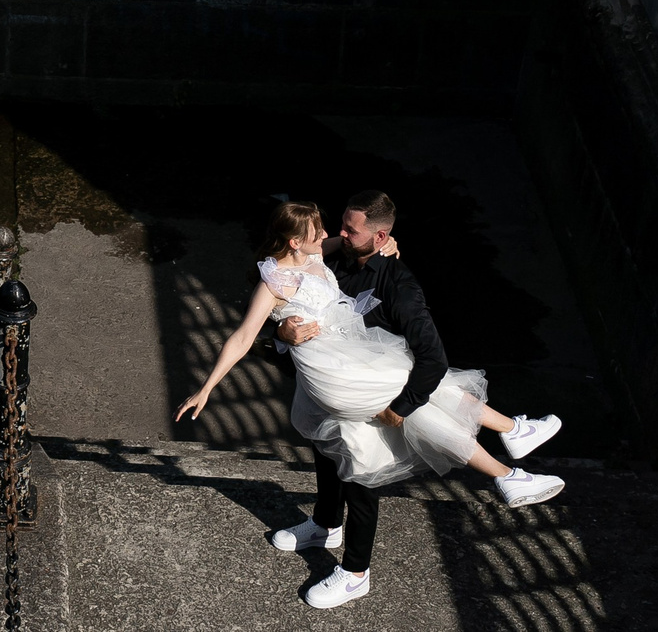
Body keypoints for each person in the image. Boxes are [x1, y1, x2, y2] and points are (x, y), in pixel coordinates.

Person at [174, 194, 566, 611]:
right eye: (323, 230)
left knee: (387, 441)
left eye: (345, 230)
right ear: (294, 242)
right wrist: (211, 385)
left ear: (378, 236)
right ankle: (329, 524)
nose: (332, 235)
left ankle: (359, 571)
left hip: (349, 365)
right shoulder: (292, 270)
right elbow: (243, 335)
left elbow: (433, 360)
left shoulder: (383, 276)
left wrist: (401, 407)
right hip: (328, 370)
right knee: (330, 452)